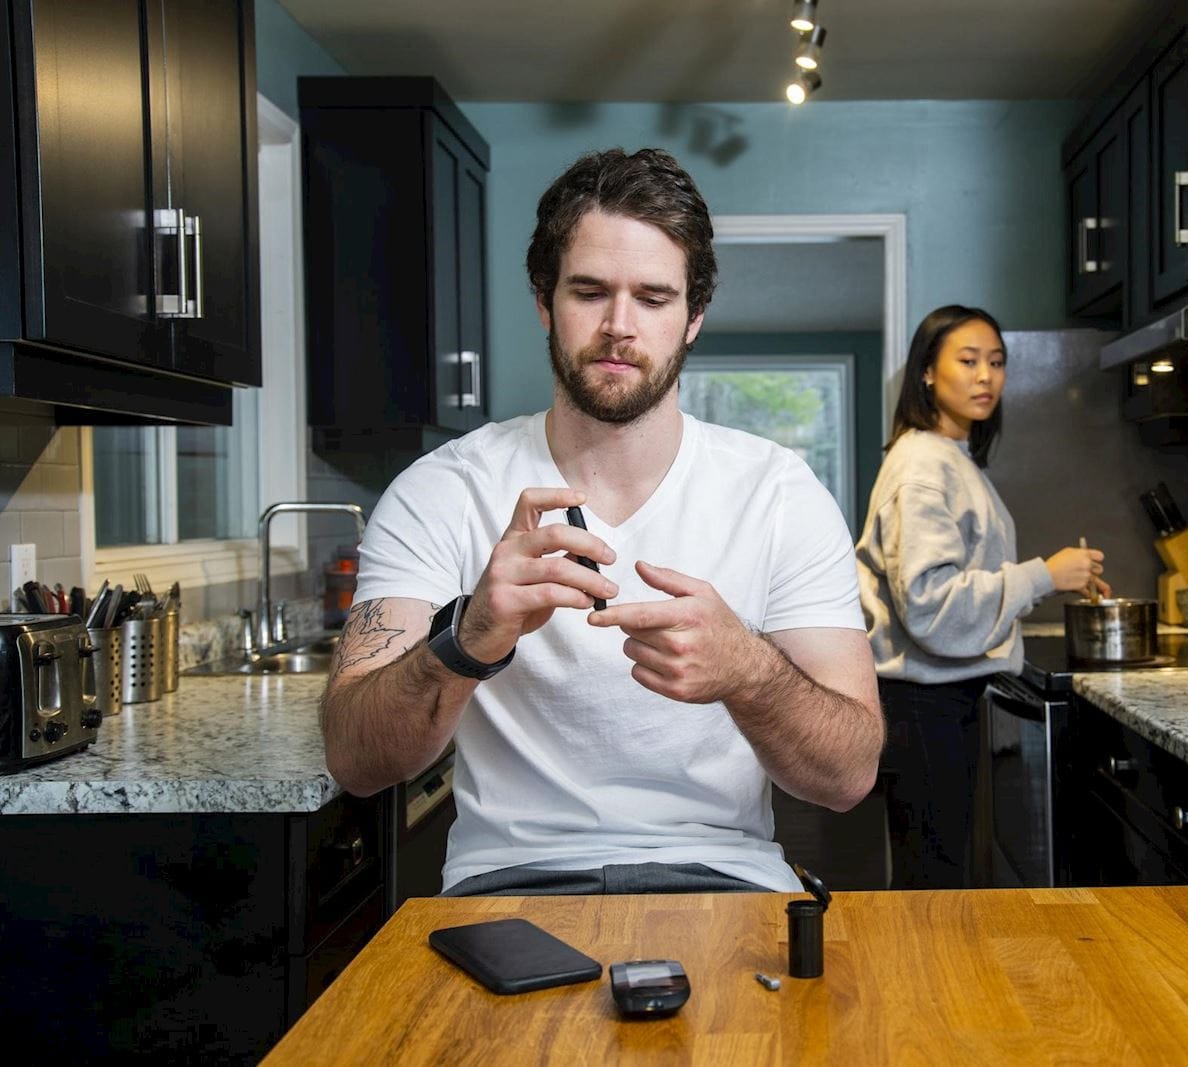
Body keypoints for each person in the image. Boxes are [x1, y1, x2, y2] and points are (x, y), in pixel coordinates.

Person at [319, 147, 883, 897]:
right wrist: (471, 633)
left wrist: (747, 669)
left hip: (723, 881)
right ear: (545, 301)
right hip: (510, 885)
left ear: (693, 318)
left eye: (653, 298)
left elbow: (848, 776)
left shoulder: (778, 492)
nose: (620, 326)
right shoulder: (443, 490)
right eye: (590, 291)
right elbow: (355, 758)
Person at [856, 305, 1111, 889]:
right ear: (927, 372)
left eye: (995, 363)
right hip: (924, 706)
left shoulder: (950, 458)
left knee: (936, 874)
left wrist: (1051, 577)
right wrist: (1044, 575)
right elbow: (931, 605)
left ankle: (929, 979)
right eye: (967, 361)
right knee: (932, 883)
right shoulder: (922, 464)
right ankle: (922, 982)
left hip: (939, 699)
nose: (985, 377)